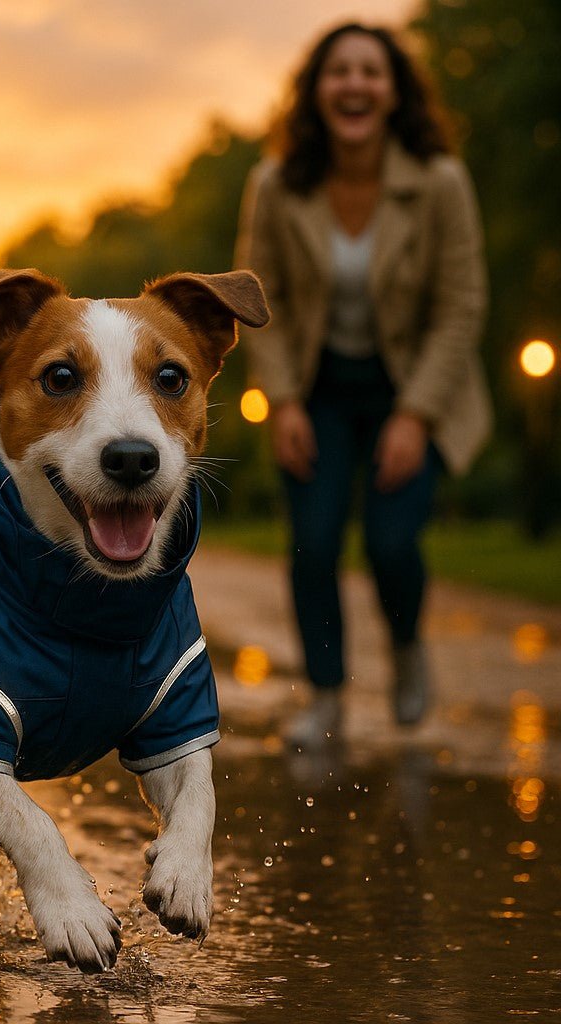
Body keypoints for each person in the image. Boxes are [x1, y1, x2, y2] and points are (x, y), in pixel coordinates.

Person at [234, 23, 492, 749]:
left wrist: (416, 416)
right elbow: (259, 299)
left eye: (370, 72)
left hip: (413, 386)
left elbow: (461, 306)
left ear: (394, 92)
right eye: (338, 72)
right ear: (316, 92)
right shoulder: (276, 185)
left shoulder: (440, 181)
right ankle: (325, 697)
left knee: (391, 543)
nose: (355, 84)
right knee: (313, 544)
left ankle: (407, 647)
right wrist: (282, 399)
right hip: (315, 392)